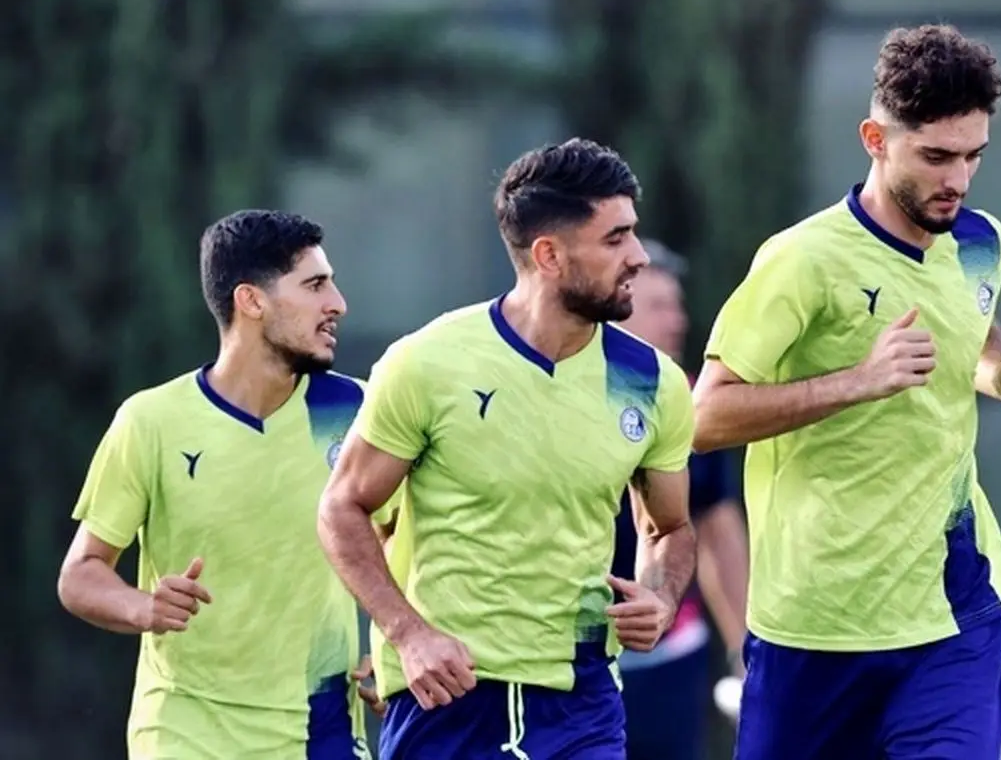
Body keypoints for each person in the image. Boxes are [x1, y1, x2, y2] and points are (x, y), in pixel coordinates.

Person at [692, 24, 1001, 760]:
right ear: (875, 139)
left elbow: (972, 338)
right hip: (813, 624)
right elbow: (704, 417)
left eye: (973, 156)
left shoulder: (981, 241)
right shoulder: (802, 260)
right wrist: (856, 382)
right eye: (935, 157)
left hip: (953, 610)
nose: (958, 180)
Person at [316, 138, 698, 760]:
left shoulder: (653, 382)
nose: (636, 257)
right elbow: (342, 507)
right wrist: (408, 634)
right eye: (615, 239)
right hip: (448, 697)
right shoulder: (428, 363)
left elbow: (670, 527)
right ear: (548, 255)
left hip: (581, 703)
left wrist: (659, 596)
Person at [57, 210, 381, 760]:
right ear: (251, 301)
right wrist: (143, 607)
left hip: (320, 725)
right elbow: (81, 574)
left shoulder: (356, 410)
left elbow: (398, 535)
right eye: (315, 285)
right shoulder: (151, 422)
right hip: (187, 731)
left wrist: (396, 636)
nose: (338, 304)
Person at [613, 239, 749, 759]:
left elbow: (717, 530)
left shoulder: (690, 404)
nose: (678, 321)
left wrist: (744, 649)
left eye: (678, 306)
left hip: (670, 654)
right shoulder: (555, 398)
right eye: (658, 306)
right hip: (567, 657)